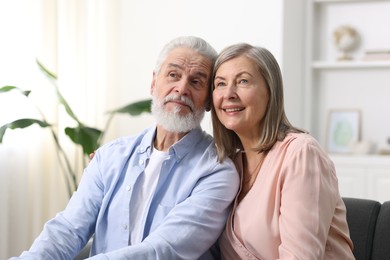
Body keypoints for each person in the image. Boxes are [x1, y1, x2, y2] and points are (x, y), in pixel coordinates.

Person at [11, 36, 240, 260]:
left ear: (209, 100)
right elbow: (69, 229)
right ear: (153, 82)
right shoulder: (109, 157)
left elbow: (163, 250)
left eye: (196, 81)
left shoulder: (217, 171)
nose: (181, 88)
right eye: (173, 75)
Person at [210, 43, 355, 259]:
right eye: (220, 84)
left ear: (271, 91)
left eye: (243, 81)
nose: (229, 93)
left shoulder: (301, 153)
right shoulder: (227, 164)